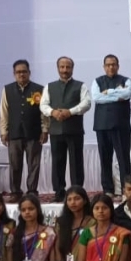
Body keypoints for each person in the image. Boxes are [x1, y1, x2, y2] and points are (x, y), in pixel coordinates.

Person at [40, 56, 91, 201]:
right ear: (58, 68)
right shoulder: (49, 86)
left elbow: (86, 104)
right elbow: (43, 105)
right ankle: (59, 192)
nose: (65, 70)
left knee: (76, 162)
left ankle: (77, 192)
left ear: (72, 69)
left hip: (74, 130)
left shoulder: (81, 86)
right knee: (57, 162)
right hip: (56, 131)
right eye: (62, 67)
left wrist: (70, 112)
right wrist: (53, 112)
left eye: (68, 67)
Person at [0, 59, 48, 200]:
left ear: (29, 73)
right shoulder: (7, 89)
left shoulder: (39, 89)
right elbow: (4, 112)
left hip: (34, 133)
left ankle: (32, 191)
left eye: (24, 72)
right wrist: (3, 132)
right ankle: (15, 192)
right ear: (14, 74)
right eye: (18, 72)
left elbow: (44, 112)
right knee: (15, 165)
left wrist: (45, 130)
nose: (21, 74)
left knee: (34, 164)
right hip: (14, 133)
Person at [92, 54, 131, 198]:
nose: (111, 67)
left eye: (113, 64)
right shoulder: (97, 81)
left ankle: (126, 189)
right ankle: (108, 190)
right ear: (104, 67)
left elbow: (127, 94)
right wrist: (117, 95)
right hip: (102, 126)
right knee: (105, 159)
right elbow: (97, 98)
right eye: (108, 65)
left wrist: (109, 92)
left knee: (123, 159)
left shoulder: (125, 80)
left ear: (118, 66)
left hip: (121, 126)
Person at [11, 194, 58, 261]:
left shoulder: (48, 232)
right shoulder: (14, 233)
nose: (27, 212)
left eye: (31, 209)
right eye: (23, 210)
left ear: (38, 210)